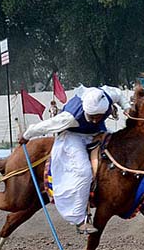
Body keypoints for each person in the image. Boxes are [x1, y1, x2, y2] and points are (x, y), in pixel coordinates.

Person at [19, 86, 131, 234]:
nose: (95, 119)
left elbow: (118, 94)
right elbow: (45, 126)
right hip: (73, 137)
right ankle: (80, 219)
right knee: (84, 172)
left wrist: (127, 107)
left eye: (98, 116)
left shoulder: (106, 96)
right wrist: (27, 135)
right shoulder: (70, 117)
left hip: (97, 133)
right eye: (92, 116)